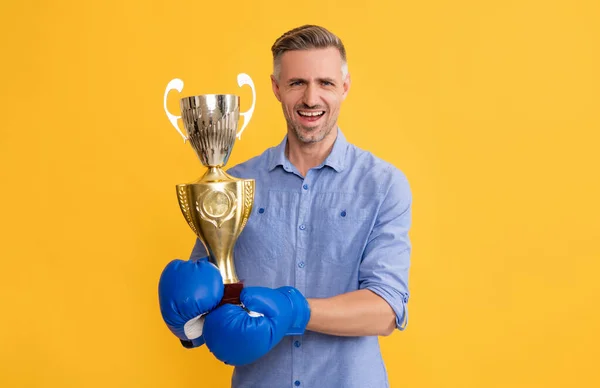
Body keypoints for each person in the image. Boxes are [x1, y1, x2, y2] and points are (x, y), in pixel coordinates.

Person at [158, 24, 412, 388]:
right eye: (297, 83)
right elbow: (208, 304)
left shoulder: (383, 185)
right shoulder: (232, 186)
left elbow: (386, 310)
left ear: (345, 86)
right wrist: (187, 321)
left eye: (325, 83)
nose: (311, 99)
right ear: (276, 88)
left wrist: (296, 309)